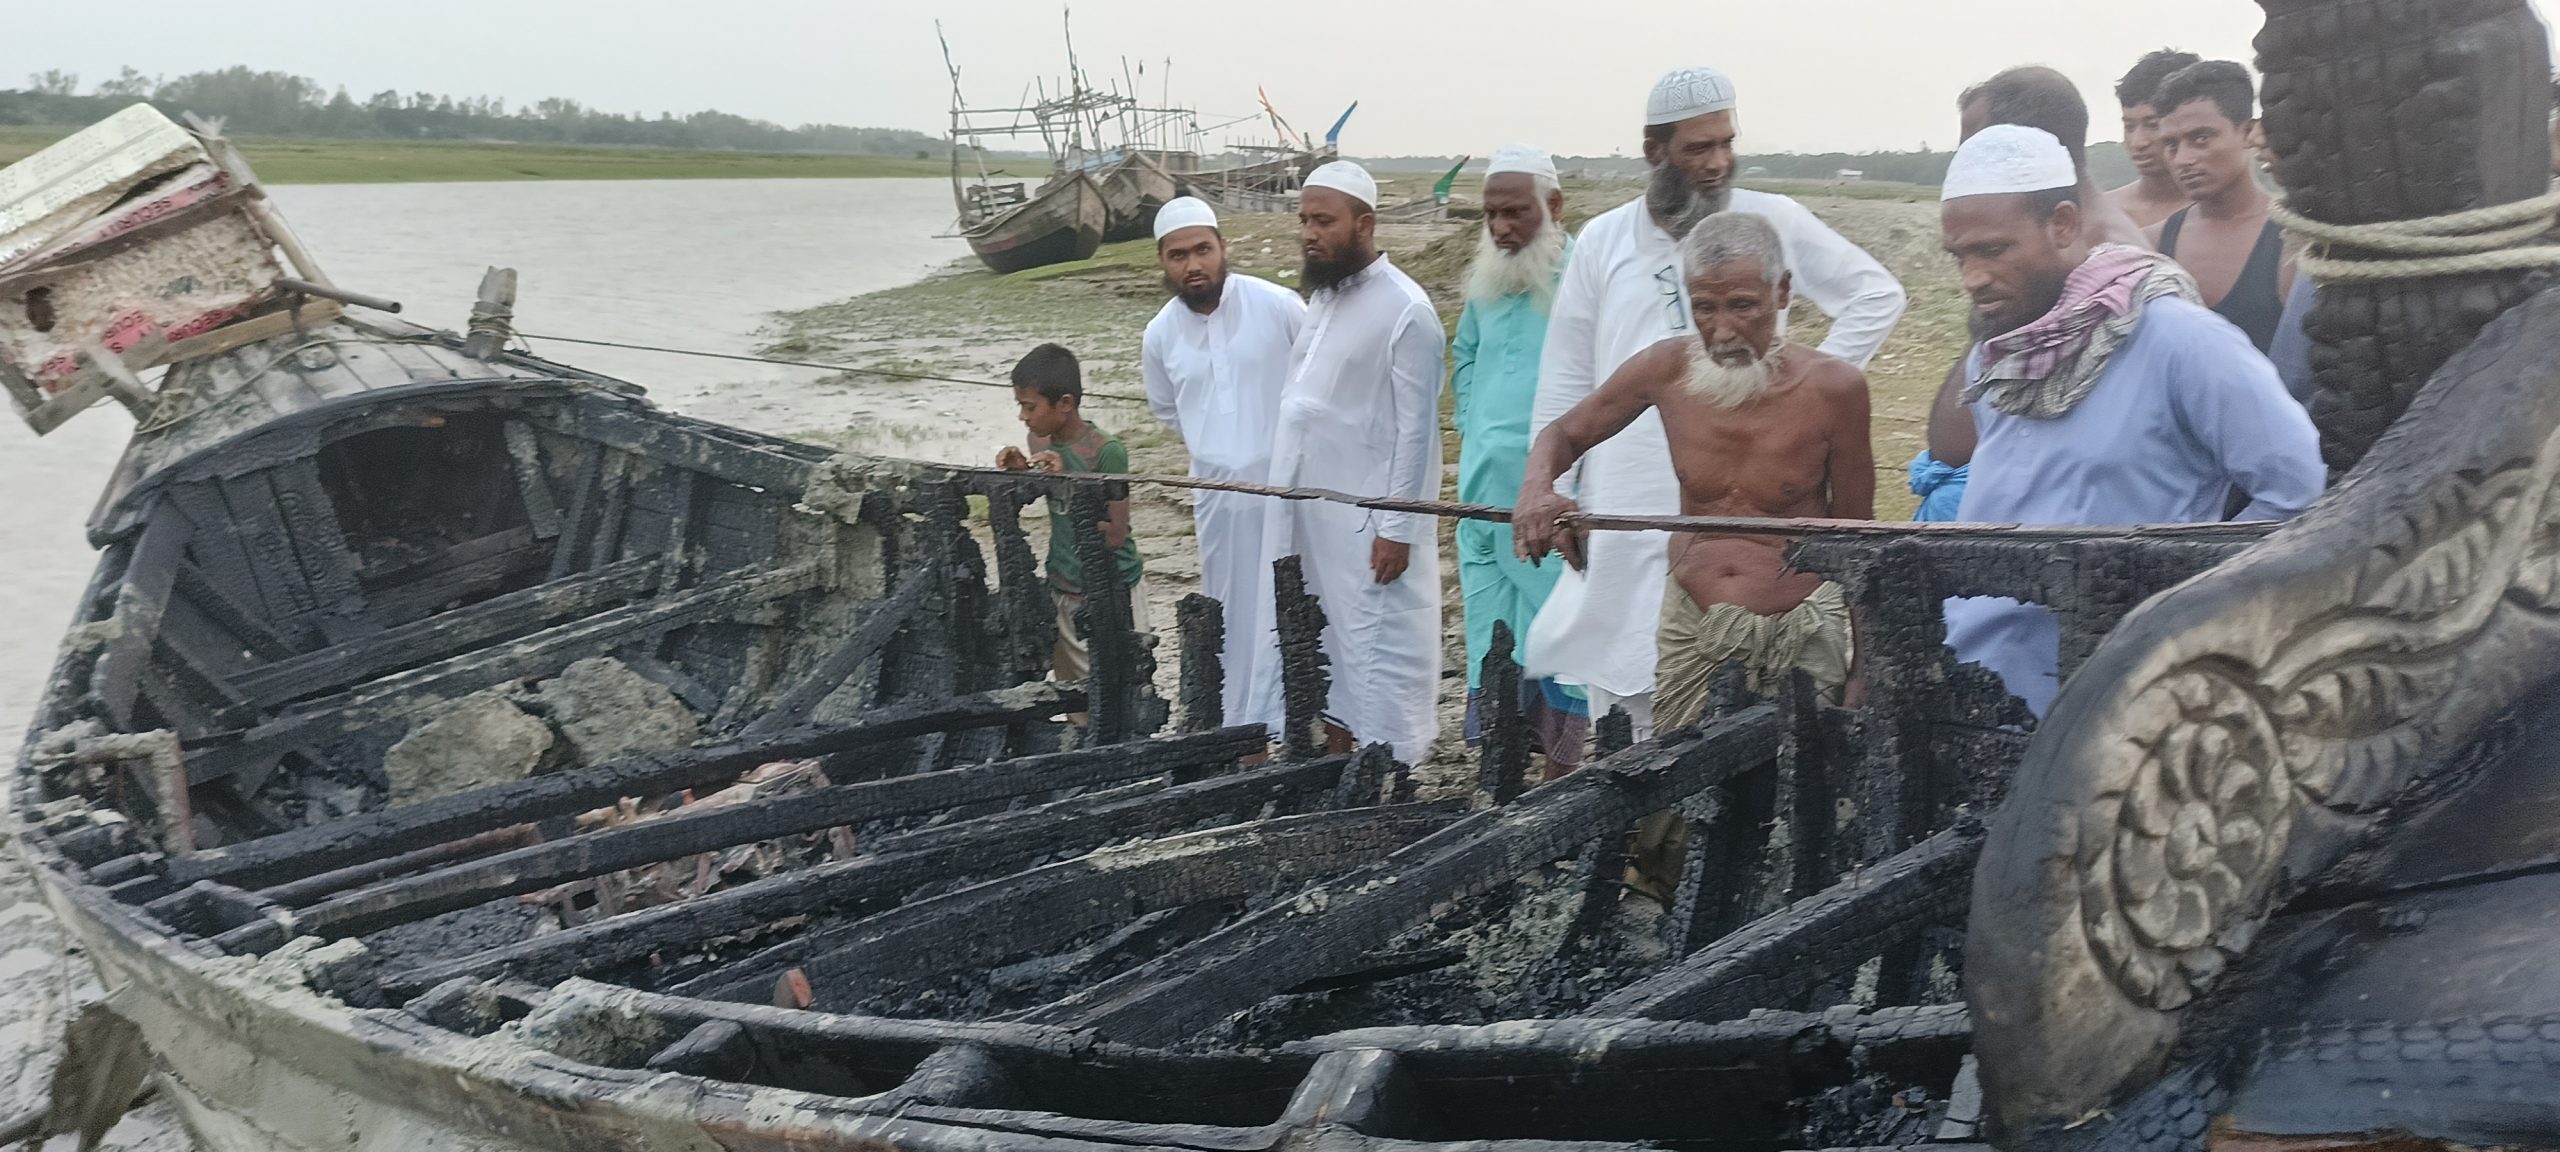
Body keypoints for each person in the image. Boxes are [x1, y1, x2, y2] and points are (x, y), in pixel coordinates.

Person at [1527, 67, 1905, 740]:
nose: (1717, 162)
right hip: (1631, 489)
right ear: (1655, 151)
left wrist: (1807, 394)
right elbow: (1566, 382)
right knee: (1627, 686)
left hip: (1774, 503)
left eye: (1725, 143)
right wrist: (1555, 489)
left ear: (1777, 295)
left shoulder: (1775, 222)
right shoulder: (1605, 242)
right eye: (1699, 148)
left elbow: (1876, 294)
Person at [1515, 211, 1873, 899]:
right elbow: (1564, 432)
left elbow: (1860, 538)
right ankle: (1657, 913)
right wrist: (1540, 488)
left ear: (1783, 293)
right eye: (1703, 307)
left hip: (1800, 621)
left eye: (1743, 306)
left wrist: (1863, 664)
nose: (1724, 329)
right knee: (1671, 793)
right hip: (1693, 626)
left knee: (1803, 795)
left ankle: (1788, 922)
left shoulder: (1835, 391)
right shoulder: (1667, 369)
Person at [1936, 126, 2322, 717]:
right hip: (1972, 681)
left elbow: (2297, 492)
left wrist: (2183, 613)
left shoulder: (2178, 339)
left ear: (2063, 225)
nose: (1973, 278)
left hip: (2110, 700)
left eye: (1992, 250)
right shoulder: (2004, 354)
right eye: (1960, 256)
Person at [1263, 161, 1447, 764]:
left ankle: (1388, 779)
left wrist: (1398, 526)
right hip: (1317, 517)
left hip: (1371, 525)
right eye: (1304, 220)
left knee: (1375, 647)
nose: (1310, 232)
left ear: (1364, 223)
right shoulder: (1324, 297)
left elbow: (1417, 434)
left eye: (1324, 220)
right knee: (1333, 646)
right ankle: (1339, 764)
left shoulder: (1407, 310)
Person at [1918, 66, 2154, 521]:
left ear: (2029, 143)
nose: (1965, 164)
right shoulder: (2029, 256)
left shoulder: (2105, 265)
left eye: (1976, 147)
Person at [1140, 196, 1304, 734]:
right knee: (1232, 611)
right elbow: (1168, 408)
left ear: (1222, 248)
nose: (1193, 265)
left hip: (1291, 492)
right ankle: (1246, 734)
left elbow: (1315, 381)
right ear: (1162, 261)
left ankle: (1310, 727)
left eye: (1202, 250)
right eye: (1178, 255)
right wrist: (1221, 448)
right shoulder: (1159, 334)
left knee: (1301, 602)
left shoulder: (1277, 304)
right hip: (1218, 502)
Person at [1452, 144, 1589, 775]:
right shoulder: (1482, 284)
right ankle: (1498, 787)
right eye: (1492, 215)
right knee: (1491, 642)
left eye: (1516, 213)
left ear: (1553, 207)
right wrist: (1476, 433)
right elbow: (1466, 360)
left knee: (1562, 642)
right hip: (1481, 500)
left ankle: (1559, 792)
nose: (1502, 228)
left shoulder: (1582, 282)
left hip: (1552, 504)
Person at [996, 344, 1151, 706]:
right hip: (1064, 581)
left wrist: (1070, 480)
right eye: (1020, 406)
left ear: (1065, 404)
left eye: (1030, 406)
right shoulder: (1037, 440)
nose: (1023, 416)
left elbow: (1114, 534)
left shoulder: (1106, 450)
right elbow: (1040, 494)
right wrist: (1021, 473)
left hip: (1114, 586)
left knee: (1121, 682)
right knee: (1074, 694)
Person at [2147, 60, 2294, 353]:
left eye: (2201, 138)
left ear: (2246, 133)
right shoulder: (2150, 245)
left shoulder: (2293, 242)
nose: (2182, 160)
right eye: (2171, 145)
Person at [2106, 50, 2204, 230]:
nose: (2138, 142)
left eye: (2153, 125)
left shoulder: (2220, 215)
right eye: (2129, 127)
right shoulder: (2104, 214)